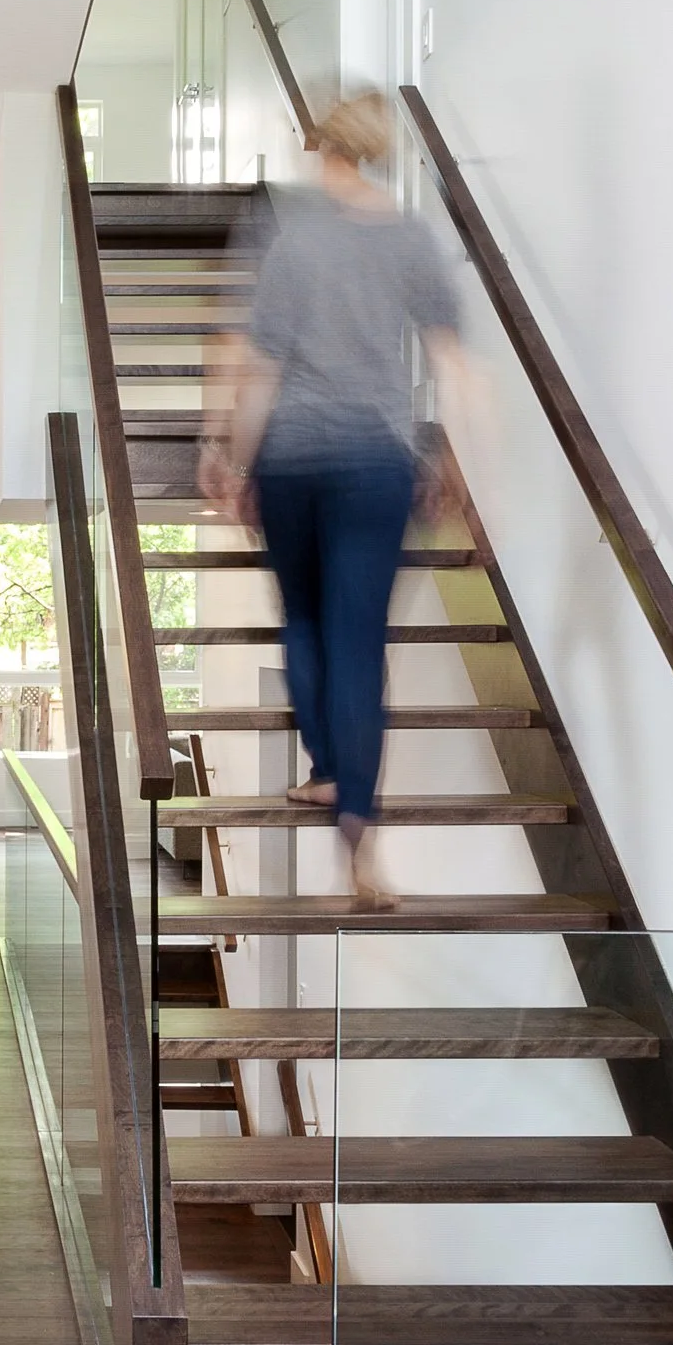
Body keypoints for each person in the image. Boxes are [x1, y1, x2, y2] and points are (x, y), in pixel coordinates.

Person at [197, 91, 475, 905]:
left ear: (322, 147)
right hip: (375, 461)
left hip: (291, 459)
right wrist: (459, 460)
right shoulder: (410, 238)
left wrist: (229, 456)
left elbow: (256, 361)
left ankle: (325, 768)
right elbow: (453, 358)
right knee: (359, 639)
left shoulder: (291, 234)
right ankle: (358, 831)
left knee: (306, 621)